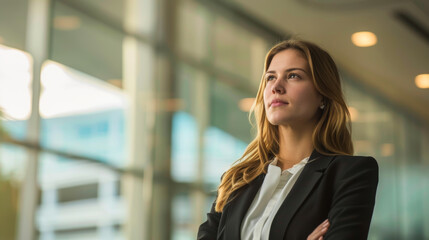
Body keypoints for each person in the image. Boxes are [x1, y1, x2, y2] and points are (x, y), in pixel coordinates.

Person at [197, 39, 379, 240]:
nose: (276, 87)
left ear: (323, 96)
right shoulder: (236, 180)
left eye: (293, 76)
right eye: (270, 77)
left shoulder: (351, 174)